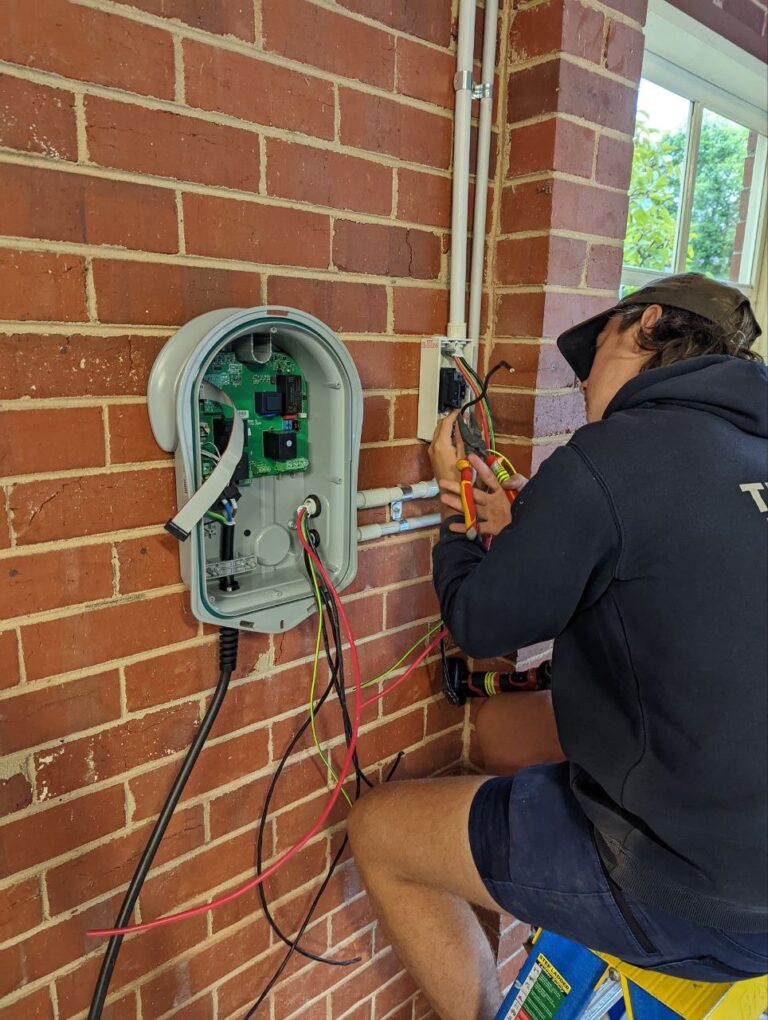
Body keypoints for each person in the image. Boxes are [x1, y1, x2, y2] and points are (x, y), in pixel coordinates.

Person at [347, 273, 768, 1020]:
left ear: (645, 325)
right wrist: (524, 534)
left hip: (701, 899)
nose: (582, 387)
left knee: (378, 831)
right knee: (509, 740)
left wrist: (456, 532)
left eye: (595, 351)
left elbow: (480, 624)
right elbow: (670, 576)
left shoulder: (613, 454)